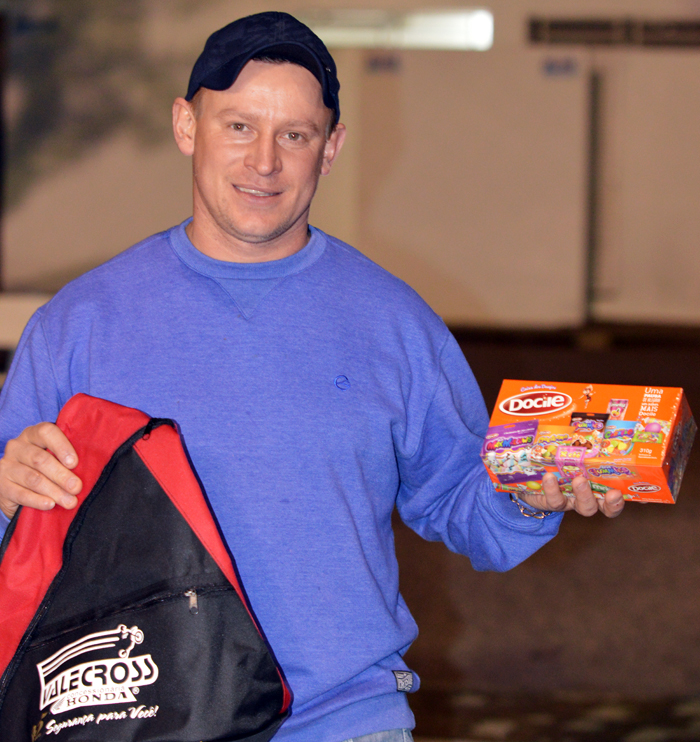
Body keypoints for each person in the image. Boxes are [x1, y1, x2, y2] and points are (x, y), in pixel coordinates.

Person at [0, 12, 624, 742]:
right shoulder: (80, 326)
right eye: (238, 126)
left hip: (342, 716)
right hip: (138, 718)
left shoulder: (393, 322)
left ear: (330, 150)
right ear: (185, 126)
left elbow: (466, 500)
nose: (264, 162)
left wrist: (531, 494)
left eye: (294, 135)